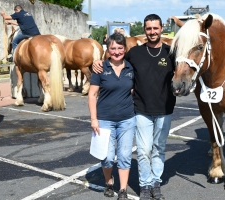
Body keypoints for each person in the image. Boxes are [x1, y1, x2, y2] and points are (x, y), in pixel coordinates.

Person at [93, 14, 176, 200]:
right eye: (149, 28)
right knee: (144, 150)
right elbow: (115, 58)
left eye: (155, 28)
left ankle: (156, 183)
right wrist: (98, 62)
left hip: (165, 109)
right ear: (144, 30)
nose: (152, 32)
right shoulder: (136, 53)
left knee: (159, 148)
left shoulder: (171, 53)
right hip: (141, 110)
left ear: (161, 28)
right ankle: (145, 185)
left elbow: (185, 72)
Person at [88, 32, 135, 200]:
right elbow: (92, 95)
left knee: (124, 156)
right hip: (104, 120)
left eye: (120, 48)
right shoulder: (100, 68)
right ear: (107, 49)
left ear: (125, 49)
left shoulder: (131, 68)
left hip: (127, 120)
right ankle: (109, 182)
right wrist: (94, 119)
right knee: (107, 157)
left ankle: (122, 189)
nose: (116, 51)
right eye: (112, 48)